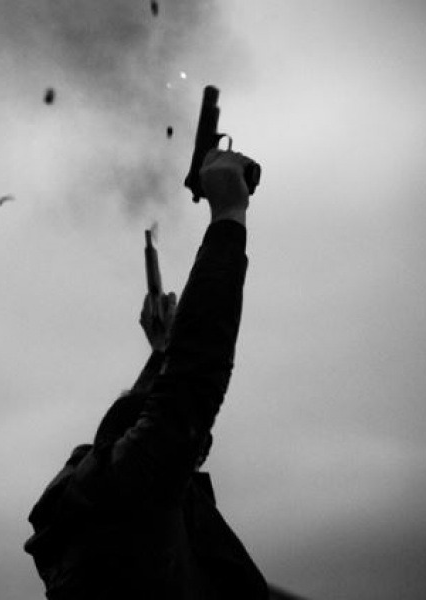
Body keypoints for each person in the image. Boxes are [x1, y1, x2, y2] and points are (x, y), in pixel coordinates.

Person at [24, 149, 269, 599]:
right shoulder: (132, 496)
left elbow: (165, 408)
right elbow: (190, 382)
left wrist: (160, 354)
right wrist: (228, 217)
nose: (197, 447)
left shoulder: (97, 507)